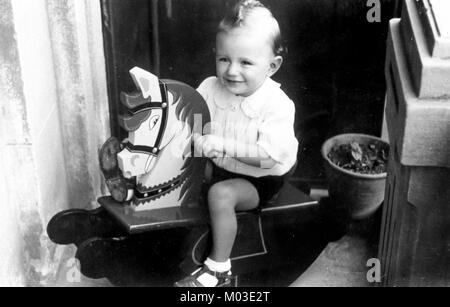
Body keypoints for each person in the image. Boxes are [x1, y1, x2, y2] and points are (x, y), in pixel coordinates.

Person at [174, 0, 298, 287]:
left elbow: (269, 158)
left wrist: (222, 145)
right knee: (187, 173)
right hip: (219, 165)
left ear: (273, 66)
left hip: (261, 178)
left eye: (245, 62)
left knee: (220, 194)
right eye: (224, 59)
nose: (231, 71)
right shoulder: (207, 88)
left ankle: (218, 269)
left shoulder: (277, 104)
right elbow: (194, 128)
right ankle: (169, 236)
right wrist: (194, 140)